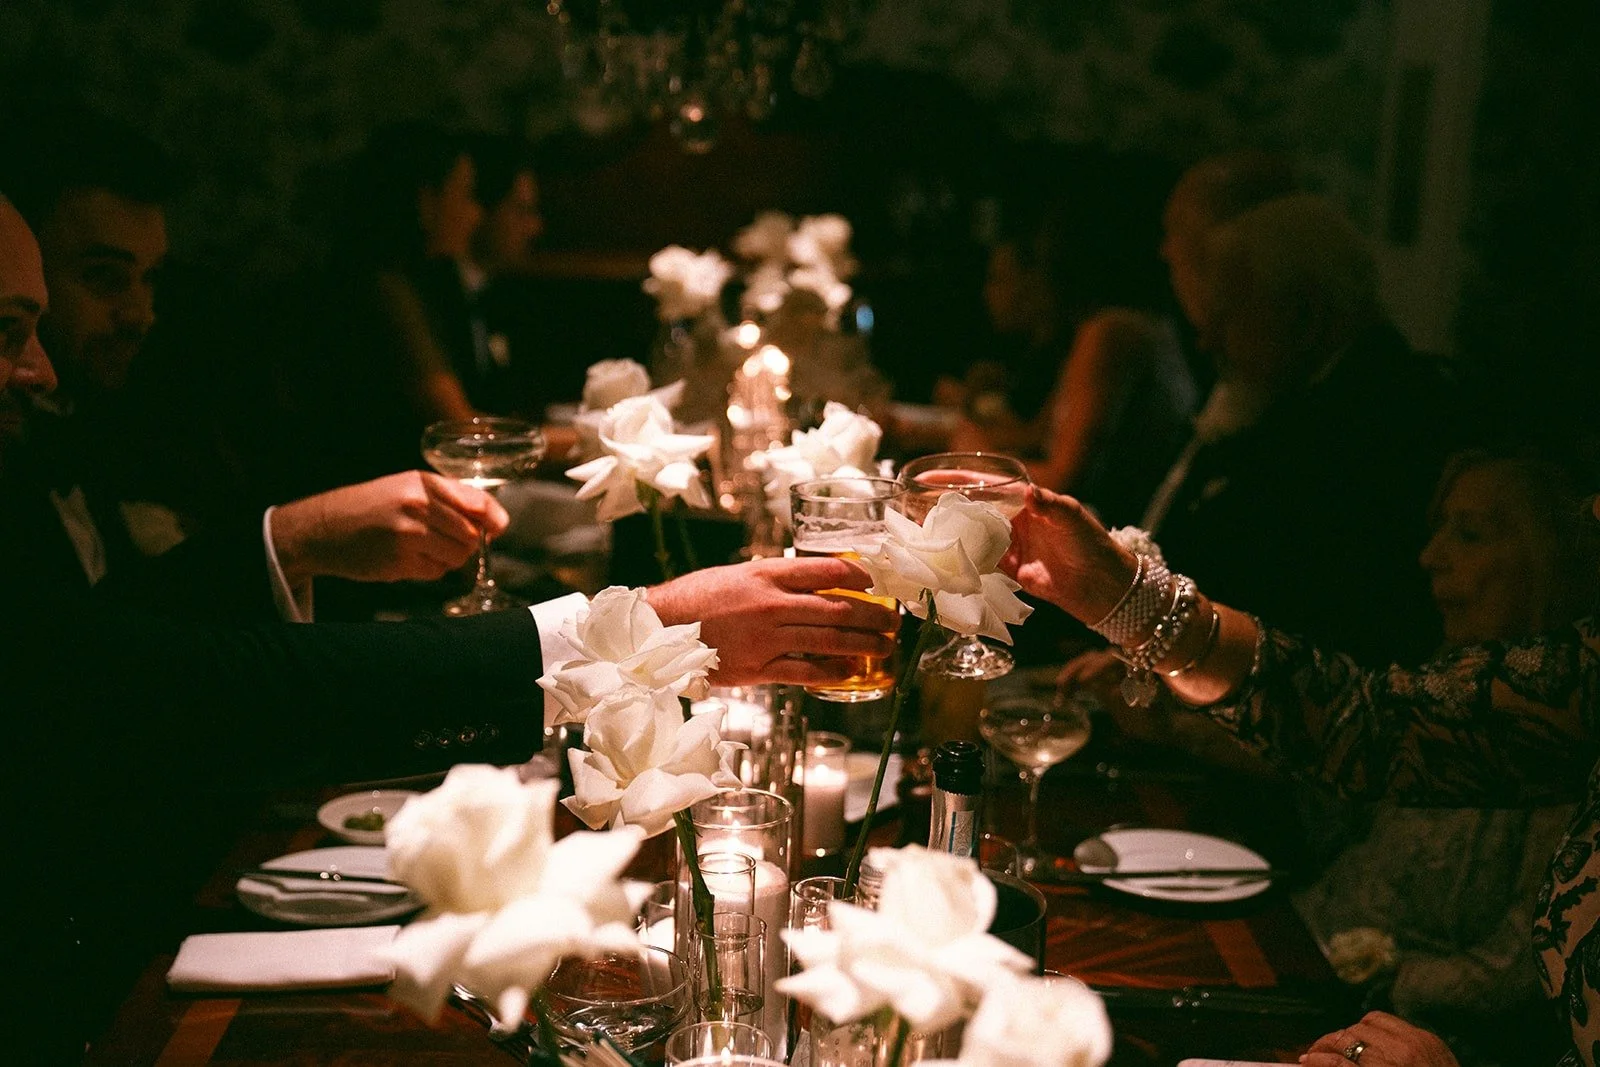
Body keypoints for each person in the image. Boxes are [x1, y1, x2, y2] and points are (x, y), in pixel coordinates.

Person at [0, 191, 899, 1060]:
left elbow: (112, 629)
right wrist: (635, 633)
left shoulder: (56, 440)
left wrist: (292, 539)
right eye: (9, 331)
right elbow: (166, 682)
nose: (36, 366)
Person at [1004, 483, 1600, 1066]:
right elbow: (1360, 730)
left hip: (1358, 1003)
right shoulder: (1558, 691)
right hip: (1310, 959)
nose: (1431, 556)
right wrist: (1128, 600)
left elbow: (1507, 977)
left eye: (1470, 534)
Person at [0, 110, 521, 622]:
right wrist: (296, 539)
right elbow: (76, 653)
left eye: (151, 279)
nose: (141, 315)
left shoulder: (132, 407)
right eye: (103, 278)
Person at [1144, 193, 1461, 667]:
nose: (1208, 339)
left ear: (1304, 311)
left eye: (1229, 313)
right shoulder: (1308, 391)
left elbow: (1286, 593)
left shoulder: (1370, 417)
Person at [948, 199, 1197, 526]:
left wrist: (973, 465)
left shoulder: (1111, 333)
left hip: (1109, 530)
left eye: (1041, 262)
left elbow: (1064, 481)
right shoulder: (1105, 328)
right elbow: (1038, 434)